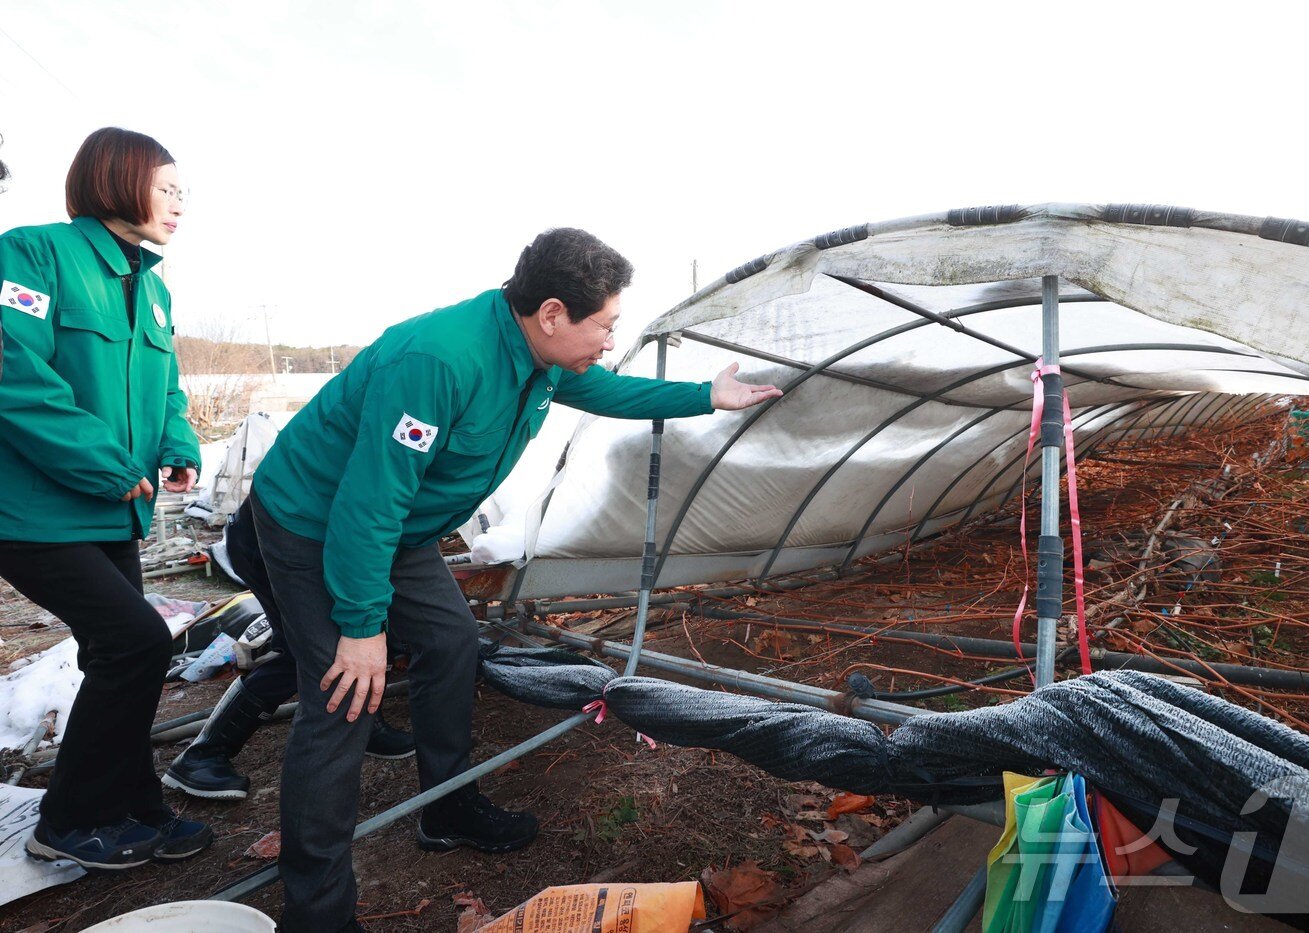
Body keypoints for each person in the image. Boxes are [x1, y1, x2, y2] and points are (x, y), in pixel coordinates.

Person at [244, 227, 782, 931]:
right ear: (553, 312)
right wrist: (361, 625)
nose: (609, 340)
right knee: (345, 695)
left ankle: (447, 805)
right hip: (316, 522)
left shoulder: (537, 352)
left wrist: (704, 395)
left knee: (450, 641)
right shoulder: (439, 360)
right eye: (605, 325)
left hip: (395, 525)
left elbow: (604, 388)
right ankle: (317, 913)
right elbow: (365, 503)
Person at [0, 127, 212, 869]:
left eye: (184, 192)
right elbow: (12, 371)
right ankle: (68, 817)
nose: (181, 203)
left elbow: (170, 387)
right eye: (168, 188)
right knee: (137, 641)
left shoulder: (152, 288)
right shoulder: (31, 255)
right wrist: (103, 461)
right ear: (118, 179)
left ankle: (132, 802)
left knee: (122, 652)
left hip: (114, 510)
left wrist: (178, 445)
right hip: (34, 511)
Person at [161, 502, 416, 800]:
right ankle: (203, 754)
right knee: (303, 650)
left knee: (349, 637)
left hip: (301, 532)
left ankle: (366, 727)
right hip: (277, 537)